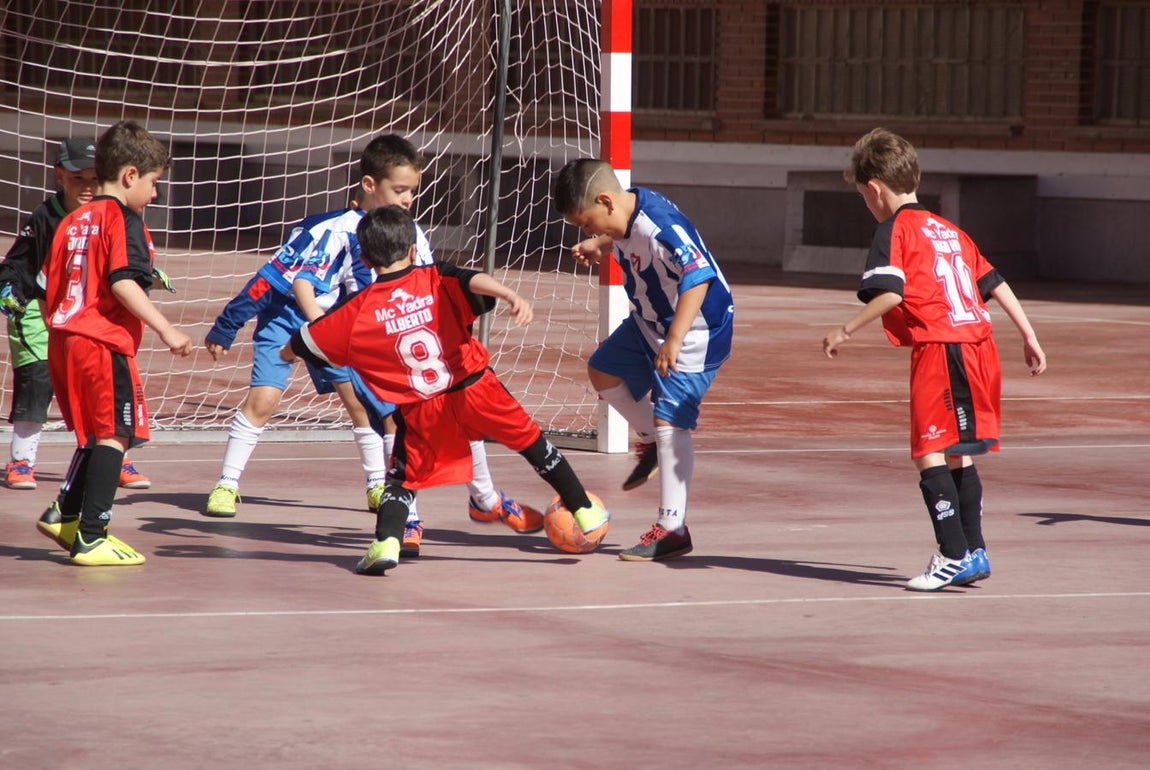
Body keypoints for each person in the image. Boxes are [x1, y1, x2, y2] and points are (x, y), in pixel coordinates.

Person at [282, 205, 608, 575]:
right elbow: (473, 281)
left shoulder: (357, 310)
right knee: (533, 444)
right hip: (475, 388)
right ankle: (584, 510)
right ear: (411, 250)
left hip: (421, 406)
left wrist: (287, 351)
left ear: (366, 257)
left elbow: (307, 340)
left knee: (402, 479)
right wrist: (508, 294)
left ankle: (387, 541)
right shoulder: (434, 279)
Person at [822, 127, 1047, 591]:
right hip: (979, 348)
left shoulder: (893, 230)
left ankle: (951, 553)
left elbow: (888, 295)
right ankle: (975, 551)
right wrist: (1029, 335)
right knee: (957, 452)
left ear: (874, 190)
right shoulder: (951, 231)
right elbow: (996, 282)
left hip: (942, 349)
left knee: (928, 450)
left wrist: (845, 329)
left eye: (864, 197)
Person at [552, 159, 734, 562]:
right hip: (648, 321)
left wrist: (674, 339)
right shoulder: (626, 209)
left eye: (587, 224)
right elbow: (621, 233)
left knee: (672, 421)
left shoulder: (660, 227)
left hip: (695, 330)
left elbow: (698, 279)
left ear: (605, 201)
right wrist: (598, 243)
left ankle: (673, 529)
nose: (588, 231)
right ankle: (650, 441)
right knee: (602, 370)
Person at [36, 120, 193, 565]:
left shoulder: (72, 220)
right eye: (153, 183)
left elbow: (49, 283)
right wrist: (166, 328)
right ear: (129, 176)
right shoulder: (123, 220)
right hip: (101, 340)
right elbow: (123, 282)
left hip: (64, 337)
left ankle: (65, 513)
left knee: (94, 432)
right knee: (115, 434)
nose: (155, 195)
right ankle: (92, 534)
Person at [0, 138, 153, 492]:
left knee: (105, 392)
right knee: (36, 381)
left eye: (93, 178)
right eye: (77, 178)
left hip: (91, 316)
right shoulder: (46, 216)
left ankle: (113, 456)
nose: (87, 187)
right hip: (41, 311)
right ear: (59, 177)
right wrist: (8, 288)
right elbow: (19, 264)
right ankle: (22, 459)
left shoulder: (112, 216)